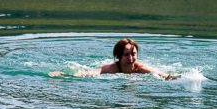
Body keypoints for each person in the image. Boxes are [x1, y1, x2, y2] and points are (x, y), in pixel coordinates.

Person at [49, 38, 179, 79]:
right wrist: (65, 75)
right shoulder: (111, 68)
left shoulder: (140, 68)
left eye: (133, 54)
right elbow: (91, 73)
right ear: (119, 56)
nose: (131, 58)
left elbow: (163, 75)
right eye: (126, 54)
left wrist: (178, 76)